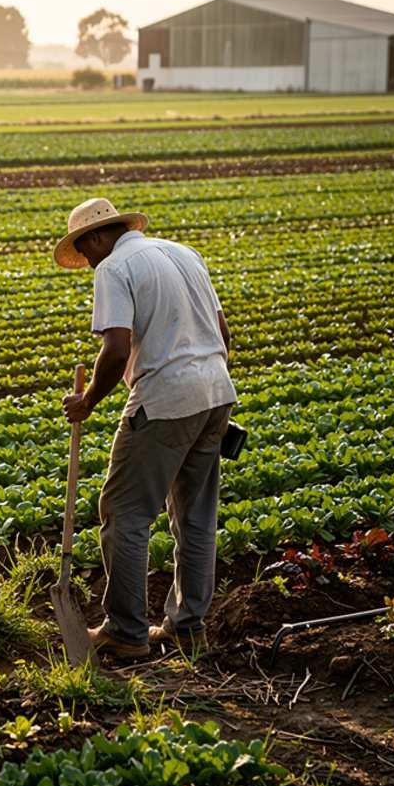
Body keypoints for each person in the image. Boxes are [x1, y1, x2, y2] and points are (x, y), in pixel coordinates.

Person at [54, 198, 236, 659]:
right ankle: (187, 626)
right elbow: (222, 330)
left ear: (96, 237)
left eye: (85, 249)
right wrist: (204, 384)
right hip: (217, 391)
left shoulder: (114, 268)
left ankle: (126, 632)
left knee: (124, 514)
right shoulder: (183, 252)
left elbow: (116, 349)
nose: (88, 260)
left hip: (164, 400)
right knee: (195, 517)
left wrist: (88, 401)